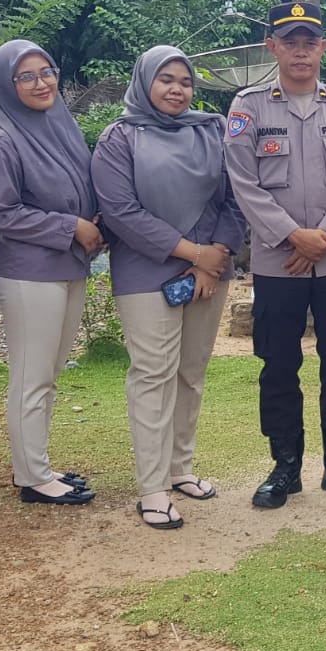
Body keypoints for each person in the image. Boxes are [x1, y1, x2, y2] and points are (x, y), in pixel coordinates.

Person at [224, 2, 326, 508]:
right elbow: (243, 181)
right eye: (290, 41)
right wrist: (293, 236)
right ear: (272, 46)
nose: (301, 51)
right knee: (278, 364)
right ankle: (285, 467)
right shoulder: (249, 107)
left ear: (323, 48)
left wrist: (324, 237)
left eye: (310, 42)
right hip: (278, 263)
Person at [90, 46, 244, 530]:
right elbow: (120, 212)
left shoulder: (212, 131)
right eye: (166, 80)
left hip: (210, 270)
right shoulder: (119, 138)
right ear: (144, 83)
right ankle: (152, 487)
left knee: (191, 372)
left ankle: (180, 467)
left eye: (185, 81)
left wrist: (212, 259)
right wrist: (193, 254)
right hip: (146, 271)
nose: (177, 90)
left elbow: (235, 198)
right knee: (153, 375)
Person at [0, 39, 102, 507]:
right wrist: (73, 226)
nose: (40, 83)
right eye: (25, 77)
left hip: (68, 267)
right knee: (33, 375)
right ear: (5, 85)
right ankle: (32, 476)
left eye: (46, 72)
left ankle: (38, 465)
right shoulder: (1, 142)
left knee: (48, 373)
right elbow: (2, 214)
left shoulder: (58, 126)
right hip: (31, 274)